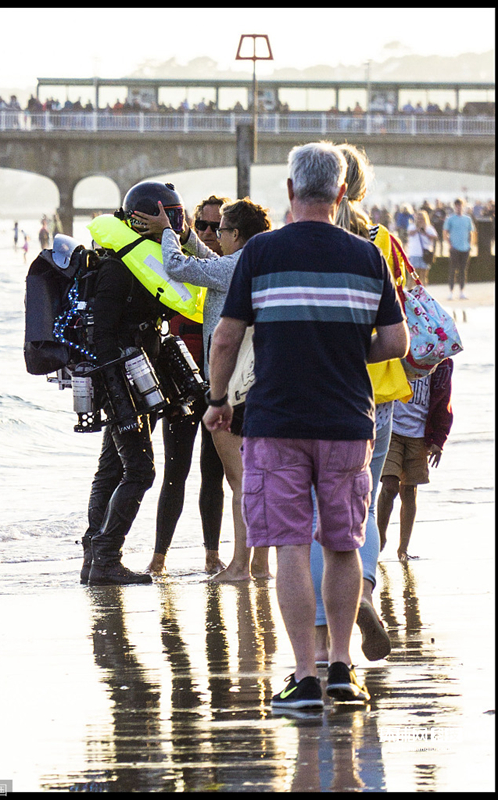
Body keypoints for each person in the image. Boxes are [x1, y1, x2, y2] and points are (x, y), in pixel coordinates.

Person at [203, 141, 409, 710]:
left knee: (291, 543)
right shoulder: (367, 256)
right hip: (347, 420)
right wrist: (342, 349)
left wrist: (218, 400)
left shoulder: (261, 253)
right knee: (343, 543)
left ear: (290, 192)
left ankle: (304, 676)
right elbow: (396, 341)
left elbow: (225, 336)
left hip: (276, 420)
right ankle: (343, 670)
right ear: (342, 194)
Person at [310, 143, 412, 667]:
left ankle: (327, 623)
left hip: (319, 383)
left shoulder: (308, 241)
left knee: (315, 507)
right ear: (358, 187)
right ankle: (364, 594)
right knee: (362, 501)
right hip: (377, 383)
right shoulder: (380, 241)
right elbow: (402, 317)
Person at [135, 197, 273, 583]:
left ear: (235, 234)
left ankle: (241, 566)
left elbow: (178, 266)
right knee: (250, 476)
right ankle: (259, 564)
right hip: (258, 380)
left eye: (222, 230)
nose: (216, 237)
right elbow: (210, 263)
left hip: (230, 383)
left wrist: (165, 234)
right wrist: (182, 233)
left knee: (239, 479)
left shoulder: (236, 266)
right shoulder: (257, 263)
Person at [80, 181, 194, 587]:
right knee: (141, 471)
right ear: (141, 218)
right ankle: (106, 556)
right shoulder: (117, 267)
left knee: (111, 467)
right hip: (120, 382)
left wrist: (173, 233)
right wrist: (121, 406)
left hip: (137, 376)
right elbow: (101, 339)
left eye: (178, 215)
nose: (176, 223)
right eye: (168, 215)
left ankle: (95, 558)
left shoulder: (148, 261)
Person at [145, 195, 229, 576]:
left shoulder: (225, 272)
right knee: (174, 473)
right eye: (204, 226)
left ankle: (212, 554)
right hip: (180, 385)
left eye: (218, 227)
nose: (211, 234)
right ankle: (159, 557)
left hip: (217, 386)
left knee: (213, 474)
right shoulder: (173, 268)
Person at [377, 359, 453, 562]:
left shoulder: (442, 362)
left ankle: (403, 548)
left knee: (409, 491)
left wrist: (439, 439)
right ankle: (380, 538)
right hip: (391, 428)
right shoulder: (400, 352)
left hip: (419, 434)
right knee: (390, 485)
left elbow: (444, 401)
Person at [444, 198, 475, 300]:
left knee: (463, 270)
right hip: (455, 248)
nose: (459, 207)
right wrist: (450, 244)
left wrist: (470, 244)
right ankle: (451, 291)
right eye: (457, 205)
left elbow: (471, 232)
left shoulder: (467, 219)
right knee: (453, 270)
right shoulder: (450, 219)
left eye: (460, 205)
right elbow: (445, 232)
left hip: (465, 247)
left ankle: (462, 291)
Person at [406, 210, 438, 286]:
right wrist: (418, 228)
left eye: (422, 218)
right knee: (412, 275)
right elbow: (410, 233)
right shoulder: (412, 226)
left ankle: (423, 292)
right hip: (414, 253)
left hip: (425, 254)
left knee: (423, 275)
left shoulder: (429, 228)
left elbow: (435, 237)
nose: (420, 220)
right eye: (419, 218)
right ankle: (410, 293)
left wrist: (425, 232)